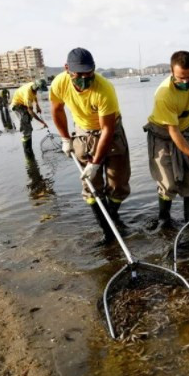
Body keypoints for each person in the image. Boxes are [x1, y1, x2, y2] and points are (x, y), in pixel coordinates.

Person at [50, 47, 131, 245]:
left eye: (89, 73)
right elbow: (57, 110)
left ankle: (112, 217)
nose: (85, 79)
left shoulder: (104, 89)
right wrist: (66, 138)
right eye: (79, 74)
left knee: (118, 182)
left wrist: (95, 163)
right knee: (91, 186)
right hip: (83, 132)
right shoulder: (59, 83)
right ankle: (107, 231)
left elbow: (107, 130)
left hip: (110, 130)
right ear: (67, 69)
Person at [143, 50, 189, 227]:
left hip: (185, 130)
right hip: (162, 134)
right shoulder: (164, 95)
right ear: (172, 72)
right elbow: (173, 133)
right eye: (181, 78)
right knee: (168, 183)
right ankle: (164, 220)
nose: (186, 82)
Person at [10, 79, 48, 152]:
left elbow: (34, 95)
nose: (39, 91)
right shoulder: (28, 95)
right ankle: (27, 150)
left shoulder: (33, 85)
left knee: (28, 120)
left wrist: (37, 105)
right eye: (39, 89)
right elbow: (30, 111)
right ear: (36, 87)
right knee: (26, 125)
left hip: (23, 103)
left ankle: (28, 135)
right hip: (17, 106)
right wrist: (42, 122)